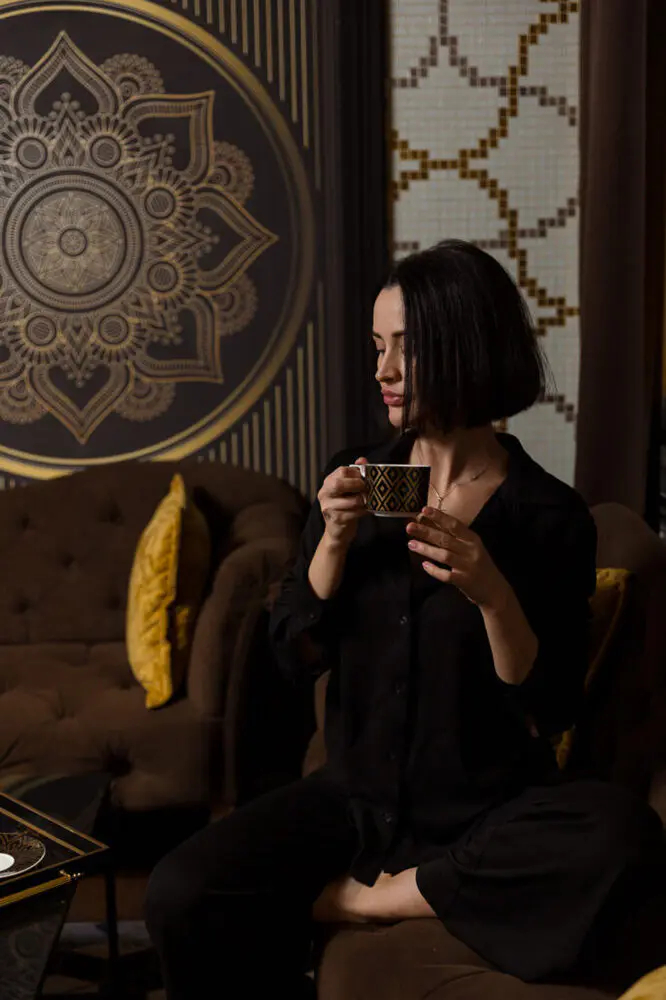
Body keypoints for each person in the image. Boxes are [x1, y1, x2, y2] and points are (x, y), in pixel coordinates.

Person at [145, 240, 664, 998]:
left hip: (483, 809)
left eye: (404, 349)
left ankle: (369, 901)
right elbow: (293, 657)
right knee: (179, 892)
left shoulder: (546, 514)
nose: (383, 371)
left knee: (622, 832)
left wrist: (492, 592)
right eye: (376, 347)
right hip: (353, 798)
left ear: (465, 348)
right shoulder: (362, 478)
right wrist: (332, 541)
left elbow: (551, 705)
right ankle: (384, 894)